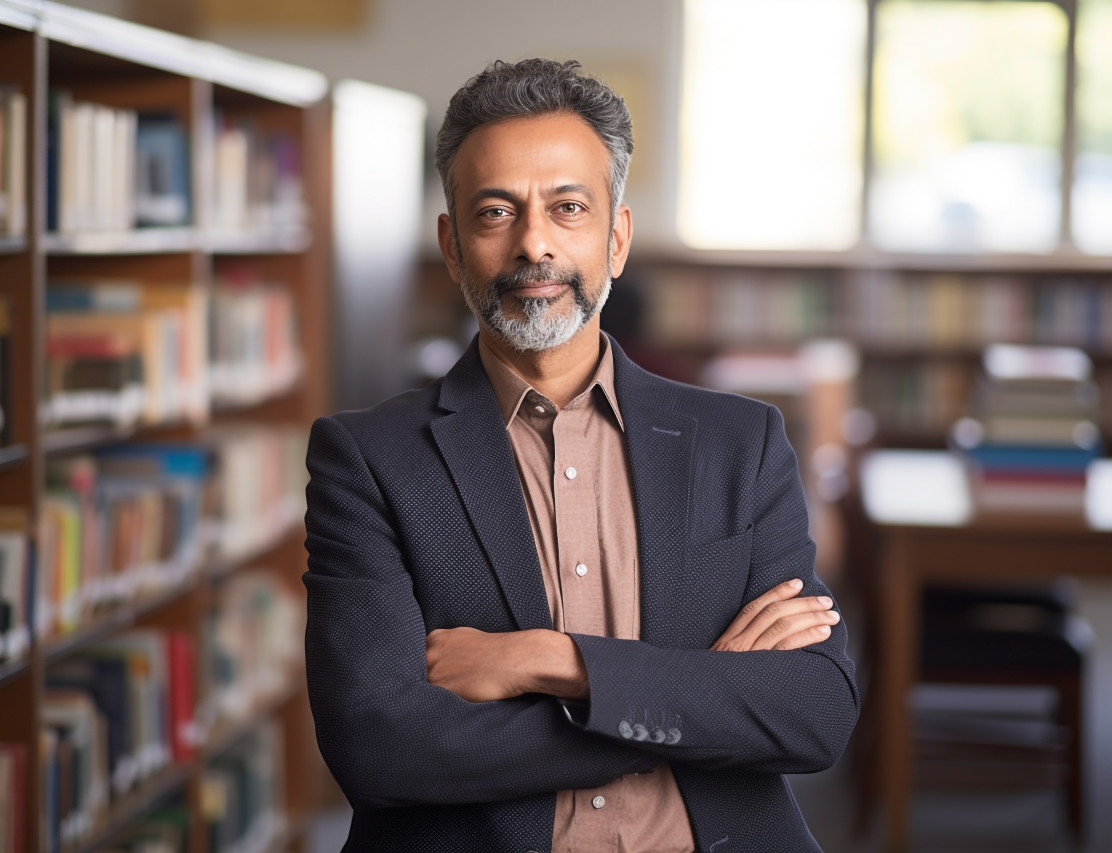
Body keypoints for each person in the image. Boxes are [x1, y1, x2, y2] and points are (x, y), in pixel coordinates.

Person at [303, 58, 858, 853]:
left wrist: (548, 660)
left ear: (616, 237)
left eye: (568, 208)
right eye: (496, 213)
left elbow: (814, 712)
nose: (534, 243)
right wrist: (693, 694)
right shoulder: (368, 459)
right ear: (453, 246)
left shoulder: (740, 442)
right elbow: (381, 748)